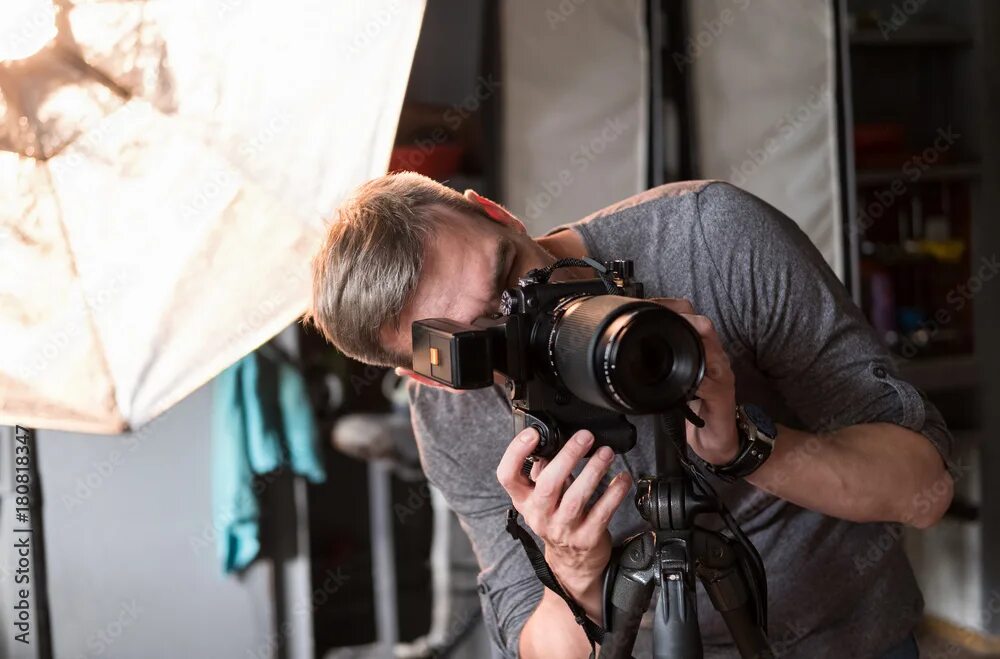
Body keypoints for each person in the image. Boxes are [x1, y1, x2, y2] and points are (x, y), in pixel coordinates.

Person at [306, 171, 956, 658]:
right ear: (428, 374)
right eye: (482, 341)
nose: (522, 317)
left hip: (849, 638)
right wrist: (570, 573)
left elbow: (924, 491)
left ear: (497, 212)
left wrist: (749, 447)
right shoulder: (446, 418)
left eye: (514, 273)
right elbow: (536, 646)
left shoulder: (710, 236)